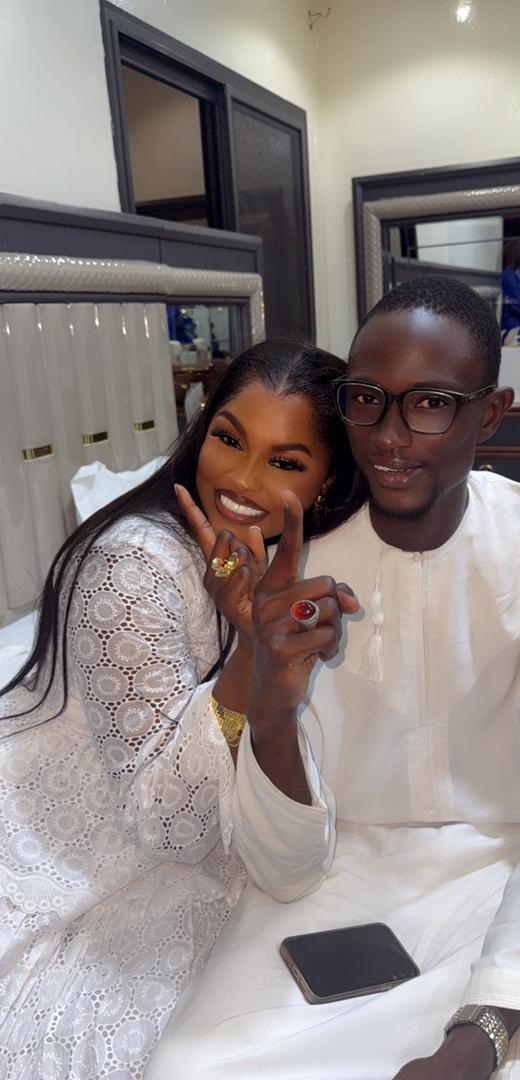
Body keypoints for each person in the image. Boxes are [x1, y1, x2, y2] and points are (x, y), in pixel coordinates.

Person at [149, 276, 520, 1080]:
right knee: (188, 1068)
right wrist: (271, 697)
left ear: (489, 414)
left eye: (430, 404)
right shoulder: (294, 568)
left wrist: (482, 1034)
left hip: (515, 883)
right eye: (367, 400)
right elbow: (285, 866)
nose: (389, 438)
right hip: (334, 885)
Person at [0, 340, 364, 1079]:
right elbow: (165, 824)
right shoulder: (133, 565)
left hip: (181, 841)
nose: (241, 479)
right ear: (202, 429)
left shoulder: (274, 561)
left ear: (326, 481)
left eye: (284, 461)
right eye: (229, 439)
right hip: (71, 857)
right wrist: (250, 654)